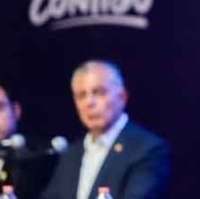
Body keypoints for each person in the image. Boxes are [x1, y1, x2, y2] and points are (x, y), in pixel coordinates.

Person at [42, 60, 172, 199]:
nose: (89, 102)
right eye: (81, 95)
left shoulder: (148, 149)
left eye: (99, 92)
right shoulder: (72, 153)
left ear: (122, 97)